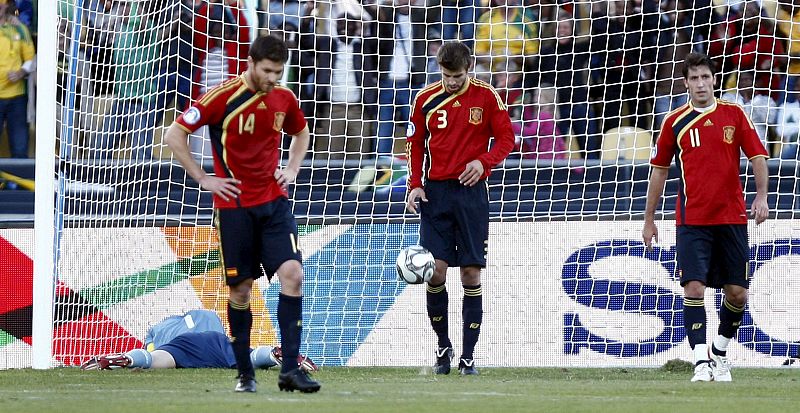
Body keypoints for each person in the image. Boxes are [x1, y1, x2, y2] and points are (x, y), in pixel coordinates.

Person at [163, 35, 319, 394]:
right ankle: (245, 373)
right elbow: (175, 134)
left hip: (274, 203)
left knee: (293, 274)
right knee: (241, 291)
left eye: (279, 72)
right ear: (250, 64)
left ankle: (290, 370)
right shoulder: (222, 97)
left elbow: (301, 132)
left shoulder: (284, 98)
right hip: (235, 209)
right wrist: (204, 178)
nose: (273, 79)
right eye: (267, 71)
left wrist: (292, 169)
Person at [642, 53, 769, 382]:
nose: (700, 83)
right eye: (694, 78)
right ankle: (700, 361)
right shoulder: (674, 121)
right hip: (692, 219)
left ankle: (719, 352)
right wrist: (649, 219)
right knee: (694, 287)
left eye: (705, 77)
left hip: (732, 218)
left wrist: (761, 197)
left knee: (738, 293)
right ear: (686, 83)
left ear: (714, 80)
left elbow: (757, 157)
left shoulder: (734, 114)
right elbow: (658, 173)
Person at [404, 42, 515, 375]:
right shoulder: (424, 99)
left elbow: (507, 139)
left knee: (470, 275)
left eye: (458, 76)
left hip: (471, 195)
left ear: (470, 68)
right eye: (446, 75)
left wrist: (485, 162)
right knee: (434, 272)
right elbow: (414, 146)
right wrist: (414, 185)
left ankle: (468, 356)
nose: (451, 82)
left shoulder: (487, 96)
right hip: (436, 195)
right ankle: (442, 345)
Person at [80, 310, 317, 372]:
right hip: (215, 342)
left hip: (180, 347)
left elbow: (151, 349)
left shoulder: (156, 329)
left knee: (153, 359)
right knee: (248, 357)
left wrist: (142, 355)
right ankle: (278, 354)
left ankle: (126, 358)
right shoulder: (206, 315)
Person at [0, 0, 35, 158]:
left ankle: (19, 183)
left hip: (16, 97)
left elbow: (30, 58)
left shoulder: (19, 28)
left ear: (6, 5)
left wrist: (20, 73)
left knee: (20, 148)